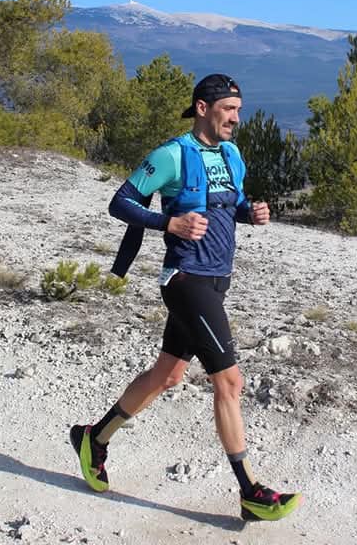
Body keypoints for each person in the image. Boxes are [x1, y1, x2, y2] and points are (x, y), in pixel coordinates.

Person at [70, 73, 302, 522]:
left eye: (238, 109)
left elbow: (229, 205)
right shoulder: (172, 155)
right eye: (229, 109)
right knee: (229, 382)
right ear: (202, 108)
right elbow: (120, 202)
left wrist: (251, 213)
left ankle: (93, 438)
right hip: (185, 280)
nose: (236, 118)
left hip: (216, 280)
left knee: (168, 375)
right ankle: (250, 491)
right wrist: (169, 223)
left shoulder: (231, 154)